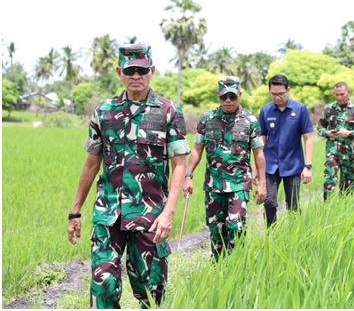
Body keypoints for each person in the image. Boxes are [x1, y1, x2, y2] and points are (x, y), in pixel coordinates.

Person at [67, 44, 190, 308]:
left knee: (151, 292)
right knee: (103, 286)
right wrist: (75, 211)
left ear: (152, 71)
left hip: (150, 216)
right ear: (119, 72)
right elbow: (91, 164)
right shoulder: (104, 111)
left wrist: (168, 213)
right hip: (108, 213)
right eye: (129, 70)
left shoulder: (169, 111)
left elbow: (179, 164)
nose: (136, 75)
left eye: (141, 70)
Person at [183, 76, 266, 261]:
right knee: (215, 227)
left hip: (239, 182)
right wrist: (188, 176)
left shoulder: (250, 120)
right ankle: (218, 266)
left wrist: (262, 183)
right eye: (223, 97)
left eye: (232, 96)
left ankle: (236, 263)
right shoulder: (207, 119)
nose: (228, 101)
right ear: (218, 95)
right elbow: (197, 150)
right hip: (214, 183)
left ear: (239, 95)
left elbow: (259, 153)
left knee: (236, 225)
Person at [257, 74, 313, 228]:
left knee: (293, 204)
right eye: (273, 94)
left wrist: (307, 166)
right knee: (269, 202)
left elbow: (307, 138)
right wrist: (256, 167)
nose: (277, 97)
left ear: (288, 90)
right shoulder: (265, 110)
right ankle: (271, 234)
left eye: (281, 94)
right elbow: (261, 142)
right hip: (270, 164)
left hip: (292, 164)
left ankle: (295, 234)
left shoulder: (300, 109)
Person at [317, 82, 354, 200]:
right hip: (332, 152)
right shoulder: (328, 109)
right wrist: (327, 133)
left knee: (348, 186)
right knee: (329, 180)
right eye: (336, 95)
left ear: (348, 92)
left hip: (350, 154)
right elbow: (320, 128)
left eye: (342, 94)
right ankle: (328, 207)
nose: (339, 97)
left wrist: (349, 133)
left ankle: (344, 208)